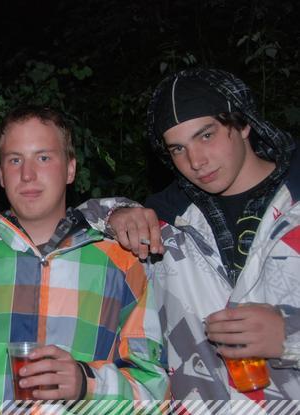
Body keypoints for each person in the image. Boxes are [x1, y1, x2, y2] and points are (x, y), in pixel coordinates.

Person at [0, 106, 168, 404]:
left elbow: (155, 394)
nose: (27, 174)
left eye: (43, 158)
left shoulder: (121, 266)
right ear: (1, 175)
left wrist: (87, 384)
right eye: (15, 160)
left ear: (70, 169)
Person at [81, 68, 300, 402]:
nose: (195, 161)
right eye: (178, 149)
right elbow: (58, 233)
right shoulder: (167, 227)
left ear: (243, 123)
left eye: (206, 135)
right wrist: (114, 214)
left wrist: (290, 337)